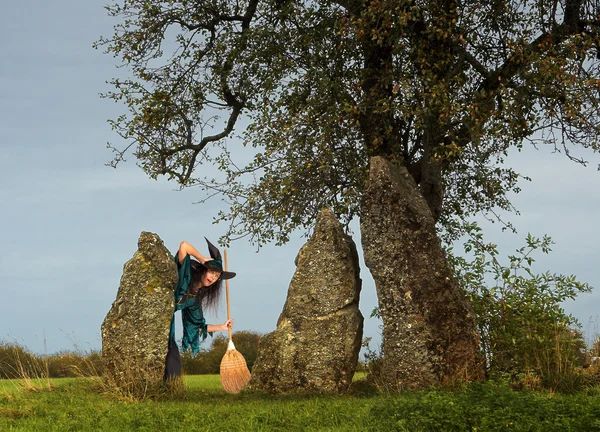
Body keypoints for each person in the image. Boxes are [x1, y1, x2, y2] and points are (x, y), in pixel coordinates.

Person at [164, 237, 237, 381]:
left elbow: (197, 326)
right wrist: (203, 259)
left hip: (166, 323)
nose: (213, 278)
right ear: (204, 270)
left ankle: (169, 392)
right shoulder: (186, 274)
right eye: (212, 272)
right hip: (155, 309)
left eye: (217, 277)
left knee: (173, 363)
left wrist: (222, 327)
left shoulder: (194, 299)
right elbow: (184, 246)